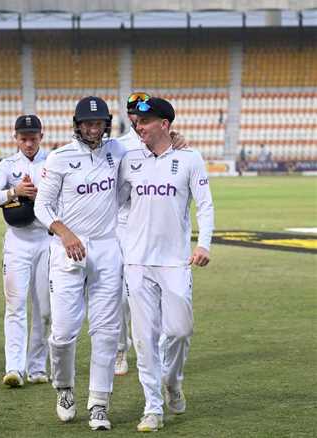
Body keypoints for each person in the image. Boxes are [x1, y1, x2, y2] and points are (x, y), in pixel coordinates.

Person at [118, 97, 214, 432]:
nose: (138, 127)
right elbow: (111, 200)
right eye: (136, 122)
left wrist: (203, 244)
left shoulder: (189, 159)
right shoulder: (128, 159)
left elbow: (204, 204)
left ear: (164, 124)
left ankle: (173, 381)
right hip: (138, 262)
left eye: (145, 122)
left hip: (175, 262)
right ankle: (152, 408)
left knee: (179, 330)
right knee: (144, 339)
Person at [33, 97, 127, 431]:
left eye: (98, 123)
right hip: (67, 249)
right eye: (87, 123)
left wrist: (175, 140)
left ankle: (99, 403)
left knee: (106, 332)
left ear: (106, 124)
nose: (92, 128)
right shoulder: (59, 158)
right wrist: (65, 232)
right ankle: (64, 389)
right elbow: (42, 207)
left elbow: (151, 140)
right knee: (63, 332)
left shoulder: (117, 150)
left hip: (106, 248)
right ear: (77, 124)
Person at [0, 115, 51, 388]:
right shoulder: (7, 165)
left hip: (47, 240)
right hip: (17, 242)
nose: (28, 143)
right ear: (16, 138)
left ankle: (37, 367)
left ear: (41, 136)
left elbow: (65, 198)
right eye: (23, 138)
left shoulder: (53, 162)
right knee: (15, 305)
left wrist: (39, 196)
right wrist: (15, 191)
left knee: (45, 310)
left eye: (33, 138)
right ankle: (15, 368)